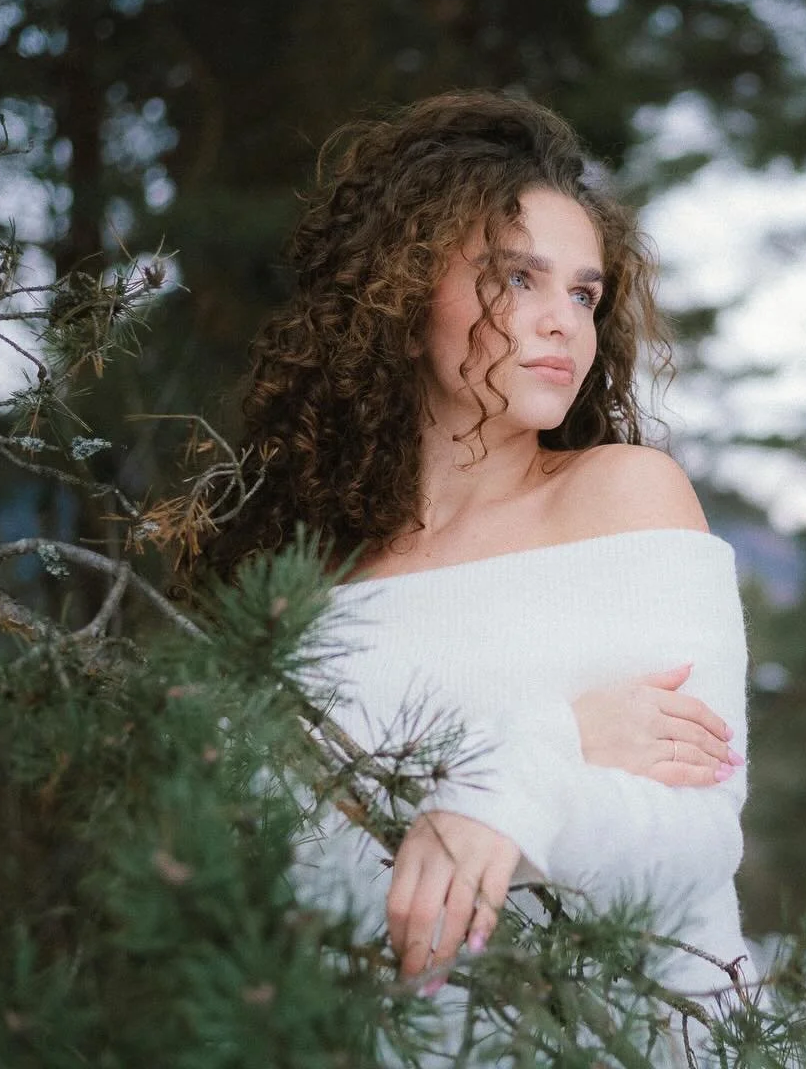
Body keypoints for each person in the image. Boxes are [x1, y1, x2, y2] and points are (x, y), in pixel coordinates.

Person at [202, 91, 750, 1046]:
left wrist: (507, 797)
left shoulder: (625, 495)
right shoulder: (311, 576)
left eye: (583, 292)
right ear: (406, 293)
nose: (564, 323)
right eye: (516, 279)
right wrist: (556, 741)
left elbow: (699, 840)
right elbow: (280, 879)